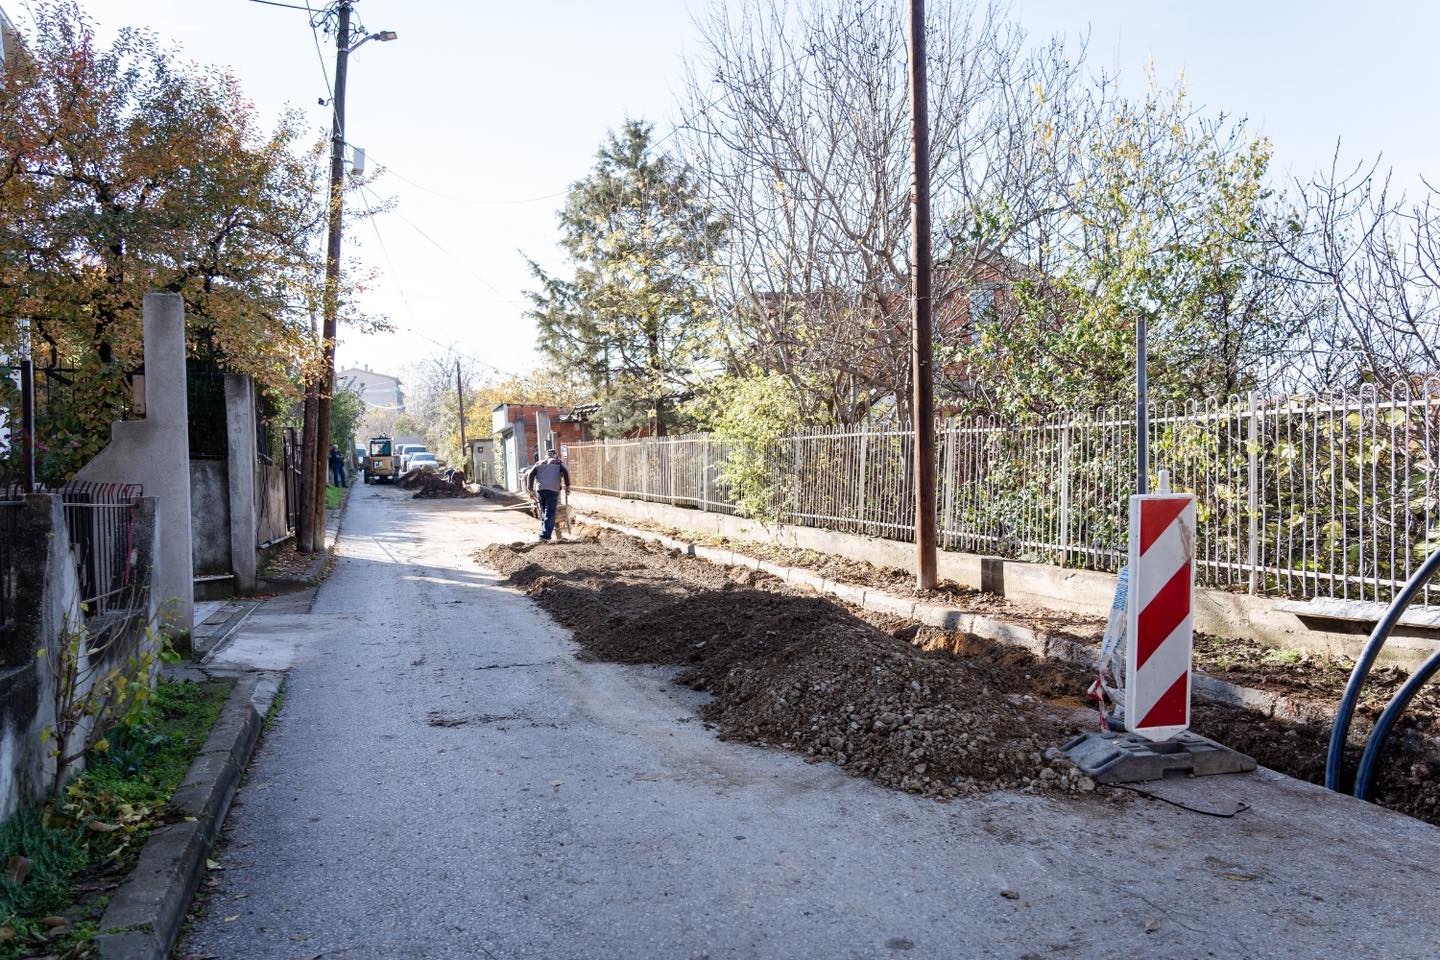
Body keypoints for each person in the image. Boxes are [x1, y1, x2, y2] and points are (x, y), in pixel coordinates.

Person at [526, 448, 571, 542]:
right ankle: (545, 536)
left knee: (544, 512)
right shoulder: (558, 463)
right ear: (555, 455)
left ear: (546, 456)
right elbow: (565, 472)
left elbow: (530, 474)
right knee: (550, 512)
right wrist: (567, 487)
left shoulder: (539, 463)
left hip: (540, 490)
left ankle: (543, 534)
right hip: (552, 490)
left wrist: (530, 490)